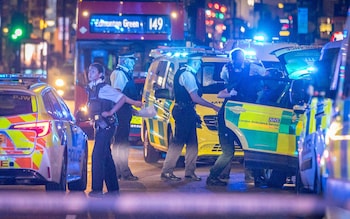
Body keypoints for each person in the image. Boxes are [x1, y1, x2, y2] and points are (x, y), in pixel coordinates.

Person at [161, 55, 220, 181]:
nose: (199, 66)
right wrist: (213, 107)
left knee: (192, 143)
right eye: (198, 63)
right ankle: (167, 171)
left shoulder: (183, 72)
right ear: (194, 63)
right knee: (178, 142)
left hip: (186, 110)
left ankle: (190, 172)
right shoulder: (188, 75)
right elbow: (195, 97)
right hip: (184, 111)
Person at [87, 62, 141, 197]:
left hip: (107, 126)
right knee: (106, 156)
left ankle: (97, 189)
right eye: (89, 71)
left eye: (93, 71)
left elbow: (121, 98)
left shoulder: (104, 88)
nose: (90, 73)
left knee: (97, 156)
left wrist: (111, 112)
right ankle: (113, 188)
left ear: (100, 74)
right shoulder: (92, 88)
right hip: (100, 126)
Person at [207, 48, 253, 186]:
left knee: (248, 149)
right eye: (238, 58)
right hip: (227, 119)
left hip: (239, 118)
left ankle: (250, 176)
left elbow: (264, 73)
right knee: (228, 152)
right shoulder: (230, 77)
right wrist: (231, 94)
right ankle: (213, 176)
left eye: (242, 58)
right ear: (233, 60)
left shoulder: (248, 73)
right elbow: (220, 94)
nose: (241, 60)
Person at [110, 54, 140, 181]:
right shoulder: (120, 74)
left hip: (123, 111)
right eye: (131, 61)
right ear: (125, 61)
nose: (133, 64)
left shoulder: (123, 74)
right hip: (120, 113)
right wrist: (133, 103)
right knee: (121, 143)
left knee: (120, 142)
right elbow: (117, 94)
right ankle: (122, 172)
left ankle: (119, 171)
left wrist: (130, 108)